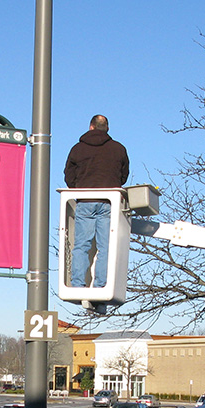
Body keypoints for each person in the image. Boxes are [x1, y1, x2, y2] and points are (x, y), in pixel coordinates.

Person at [64, 114, 129, 288]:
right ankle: (101, 285)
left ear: (91, 127)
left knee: (81, 246)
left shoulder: (77, 149)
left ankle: (77, 283)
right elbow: (123, 176)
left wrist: (79, 187)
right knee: (106, 246)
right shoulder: (118, 149)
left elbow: (69, 177)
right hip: (109, 202)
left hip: (85, 201)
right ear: (107, 128)